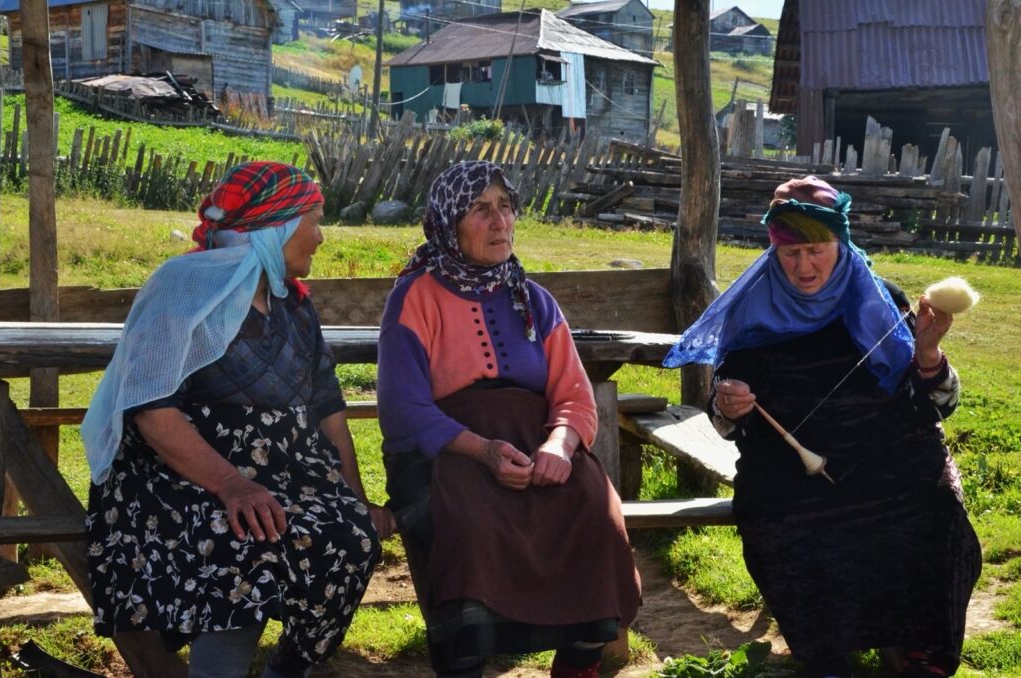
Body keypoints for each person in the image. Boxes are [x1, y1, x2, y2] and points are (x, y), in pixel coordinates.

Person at [82, 161, 395, 678]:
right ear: (275, 226)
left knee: (352, 537)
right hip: (179, 477)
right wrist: (232, 486)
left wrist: (356, 498)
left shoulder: (292, 305)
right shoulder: (181, 290)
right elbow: (153, 411)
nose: (320, 237)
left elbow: (330, 411)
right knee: (245, 539)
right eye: (314, 221)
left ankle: (289, 669)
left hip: (285, 476)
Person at [663, 176, 982, 677]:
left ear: (841, 242)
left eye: (816, 250)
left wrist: (927, 353)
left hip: (892, 457)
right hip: (791, 469)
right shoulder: (752, 311)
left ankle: (920, 646)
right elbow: (724, 421)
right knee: (786, 525)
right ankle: (828, 650)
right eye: (790, 253)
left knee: (933, 506)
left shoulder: (881, 300)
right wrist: (729, 404)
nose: (804, 266)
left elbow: (938, 405)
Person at [377, 160, 641, 678]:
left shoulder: (534, 300)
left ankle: (579, 662)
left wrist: (559, 447)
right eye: (480, 209)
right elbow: (403, 409)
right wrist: (483, 451)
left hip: (537, 443)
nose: (499, 221)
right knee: (469, 522)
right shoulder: (414, 298)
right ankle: (467, 662)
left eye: (505, 207)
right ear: (449, 223)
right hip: (450, 449)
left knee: (594, 509)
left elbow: (574, 395)